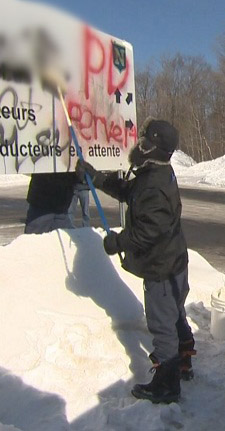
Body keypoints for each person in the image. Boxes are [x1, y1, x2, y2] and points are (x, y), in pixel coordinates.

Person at [77, 118, 194, 404]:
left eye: (144, 143)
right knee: (175, 313)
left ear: (156, 150)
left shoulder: (154, 184)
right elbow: (130, 192)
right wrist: (97, 177)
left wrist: (117, 242)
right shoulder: (155, 173)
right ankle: (184, 358)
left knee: (162, 323)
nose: (139, 147)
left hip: (162, 268)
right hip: (174, 261)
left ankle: (167, 384)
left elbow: (147, 232)